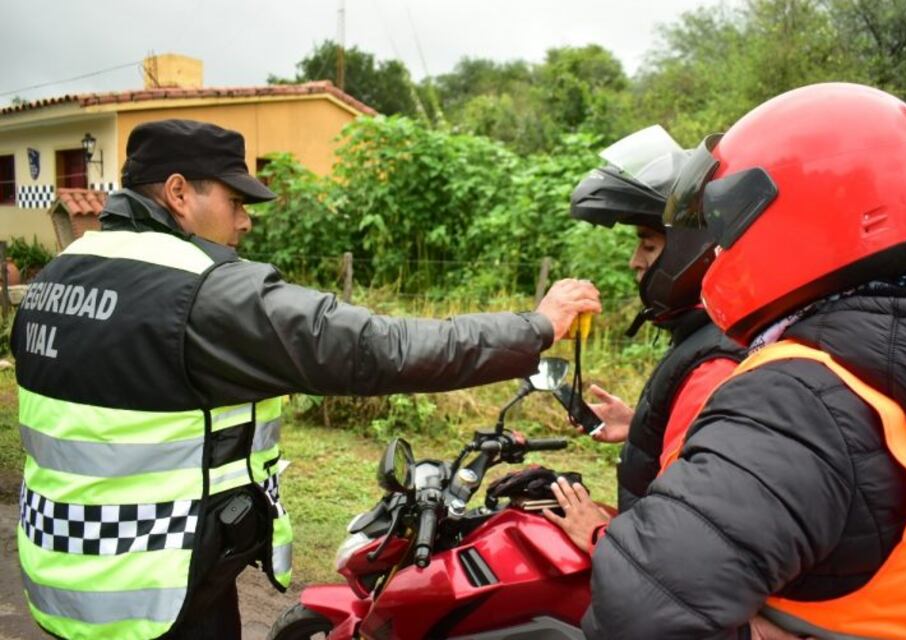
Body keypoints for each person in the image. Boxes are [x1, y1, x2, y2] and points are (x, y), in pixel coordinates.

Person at [11, 118, 601, 640]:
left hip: (68, 574)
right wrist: (536, 327)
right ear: (178, 193)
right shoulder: (202, 293)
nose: (245, 222)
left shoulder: (59, 275)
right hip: (163, 593)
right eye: (236, 201)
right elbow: (382, 349)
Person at [556, 83, 906, 638]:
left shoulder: (797, 392)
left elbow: (643, 614)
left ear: (804, 221)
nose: (720, 247)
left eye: (730, 224)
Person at [564, 125, 744, 525]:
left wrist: (599, 535)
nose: (634, 260)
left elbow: (691, 526)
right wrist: (642, 427)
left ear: (689, 252)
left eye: (647, 245)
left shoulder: (714, 362)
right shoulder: (706, 334)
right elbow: (696, 449)